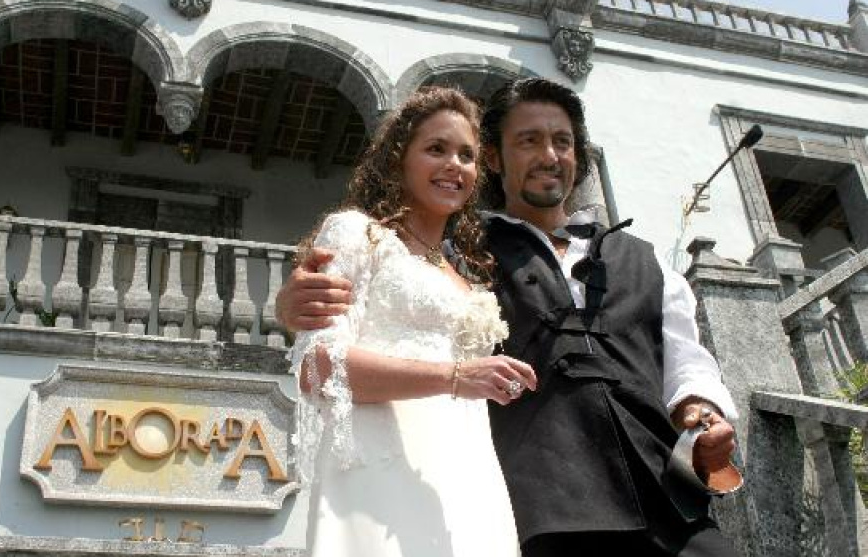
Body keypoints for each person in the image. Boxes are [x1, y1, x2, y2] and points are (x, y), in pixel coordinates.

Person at [278, 77, 741, 556]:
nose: (549, 155)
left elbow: (686, 360)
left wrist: (702, 412)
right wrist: (289, 306)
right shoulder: (466, 258)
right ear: (496, 159)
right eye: (529, 141)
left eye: (562, 141)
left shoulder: (646, 259)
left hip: (670, 500)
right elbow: (377, 304)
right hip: (545, 511)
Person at [289, 85, 536, 557]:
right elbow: (317, 368)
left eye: (466, 155)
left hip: (468, 474)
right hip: (382, 469)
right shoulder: (357, 235)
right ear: (398, 159)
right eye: (436, 149)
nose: (454, 165)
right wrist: (454, 377)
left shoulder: (464, 272)